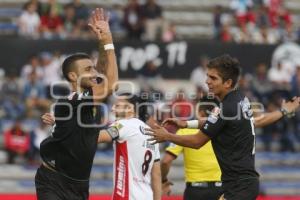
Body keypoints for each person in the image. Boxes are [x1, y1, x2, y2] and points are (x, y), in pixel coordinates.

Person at [145, 54, 300, 200]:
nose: (207, 81)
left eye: (213, 78)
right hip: (240, 184)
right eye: (207, 76)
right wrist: (186, 123)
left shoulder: (226, 108)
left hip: (239, 186)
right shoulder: (240, 99)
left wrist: (167, 136)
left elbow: (197, 142)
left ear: (228, 83)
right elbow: (231, 122)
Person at [35, 8, 118, 200]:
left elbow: (103, 70)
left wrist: (101, 40)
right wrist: (108, 41)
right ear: (73, 76)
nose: (94, 72)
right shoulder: (73, 102)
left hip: (79, 184)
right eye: (88, 69)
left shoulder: (80, 100)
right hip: (54, 180)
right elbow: (111, 84)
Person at [42, 93, 162, 200]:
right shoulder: (152, 133)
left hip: (126, 196)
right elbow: (156, 176)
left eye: (118, 105)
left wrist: (61, 125)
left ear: (131, 109)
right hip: (147, 195)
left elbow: (92, 138)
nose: (113, 108)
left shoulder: (124, 125)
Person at [161, 97, 222, 200]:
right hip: (221, 190)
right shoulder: (225, 132)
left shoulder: (185, 131)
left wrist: (163, 180)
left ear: (201, 112)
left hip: (196, 191)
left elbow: (166, 161)